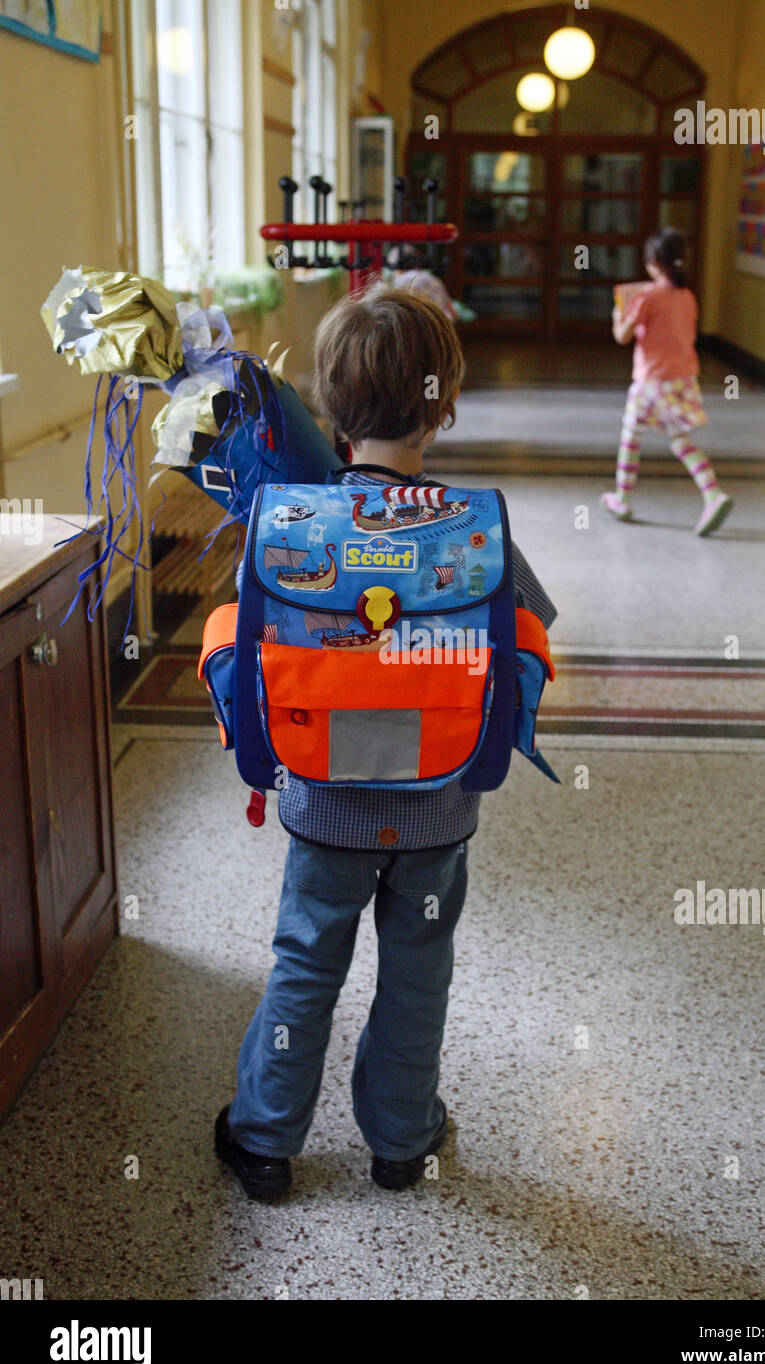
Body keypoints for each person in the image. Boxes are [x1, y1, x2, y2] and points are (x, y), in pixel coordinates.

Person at [215, 288, 557, 1199]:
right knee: (418, 973)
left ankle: (264, 1140)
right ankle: (402, 1143)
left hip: (323, 803)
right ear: (442, 406)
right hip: (438, 812)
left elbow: (249, 643)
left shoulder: (288, 524)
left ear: (329, 405)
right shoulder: (476, 528)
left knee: (305, 963)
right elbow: (531, 632)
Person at [601, 228, 733, 537]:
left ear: (654, 262)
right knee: (680, 441)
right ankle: (713, 494)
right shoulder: (686, 296)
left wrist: (618, 311)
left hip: (652, 381)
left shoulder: (648, 297)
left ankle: (623, 498)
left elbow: (622, 336)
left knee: (631, 437)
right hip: (683, 379)